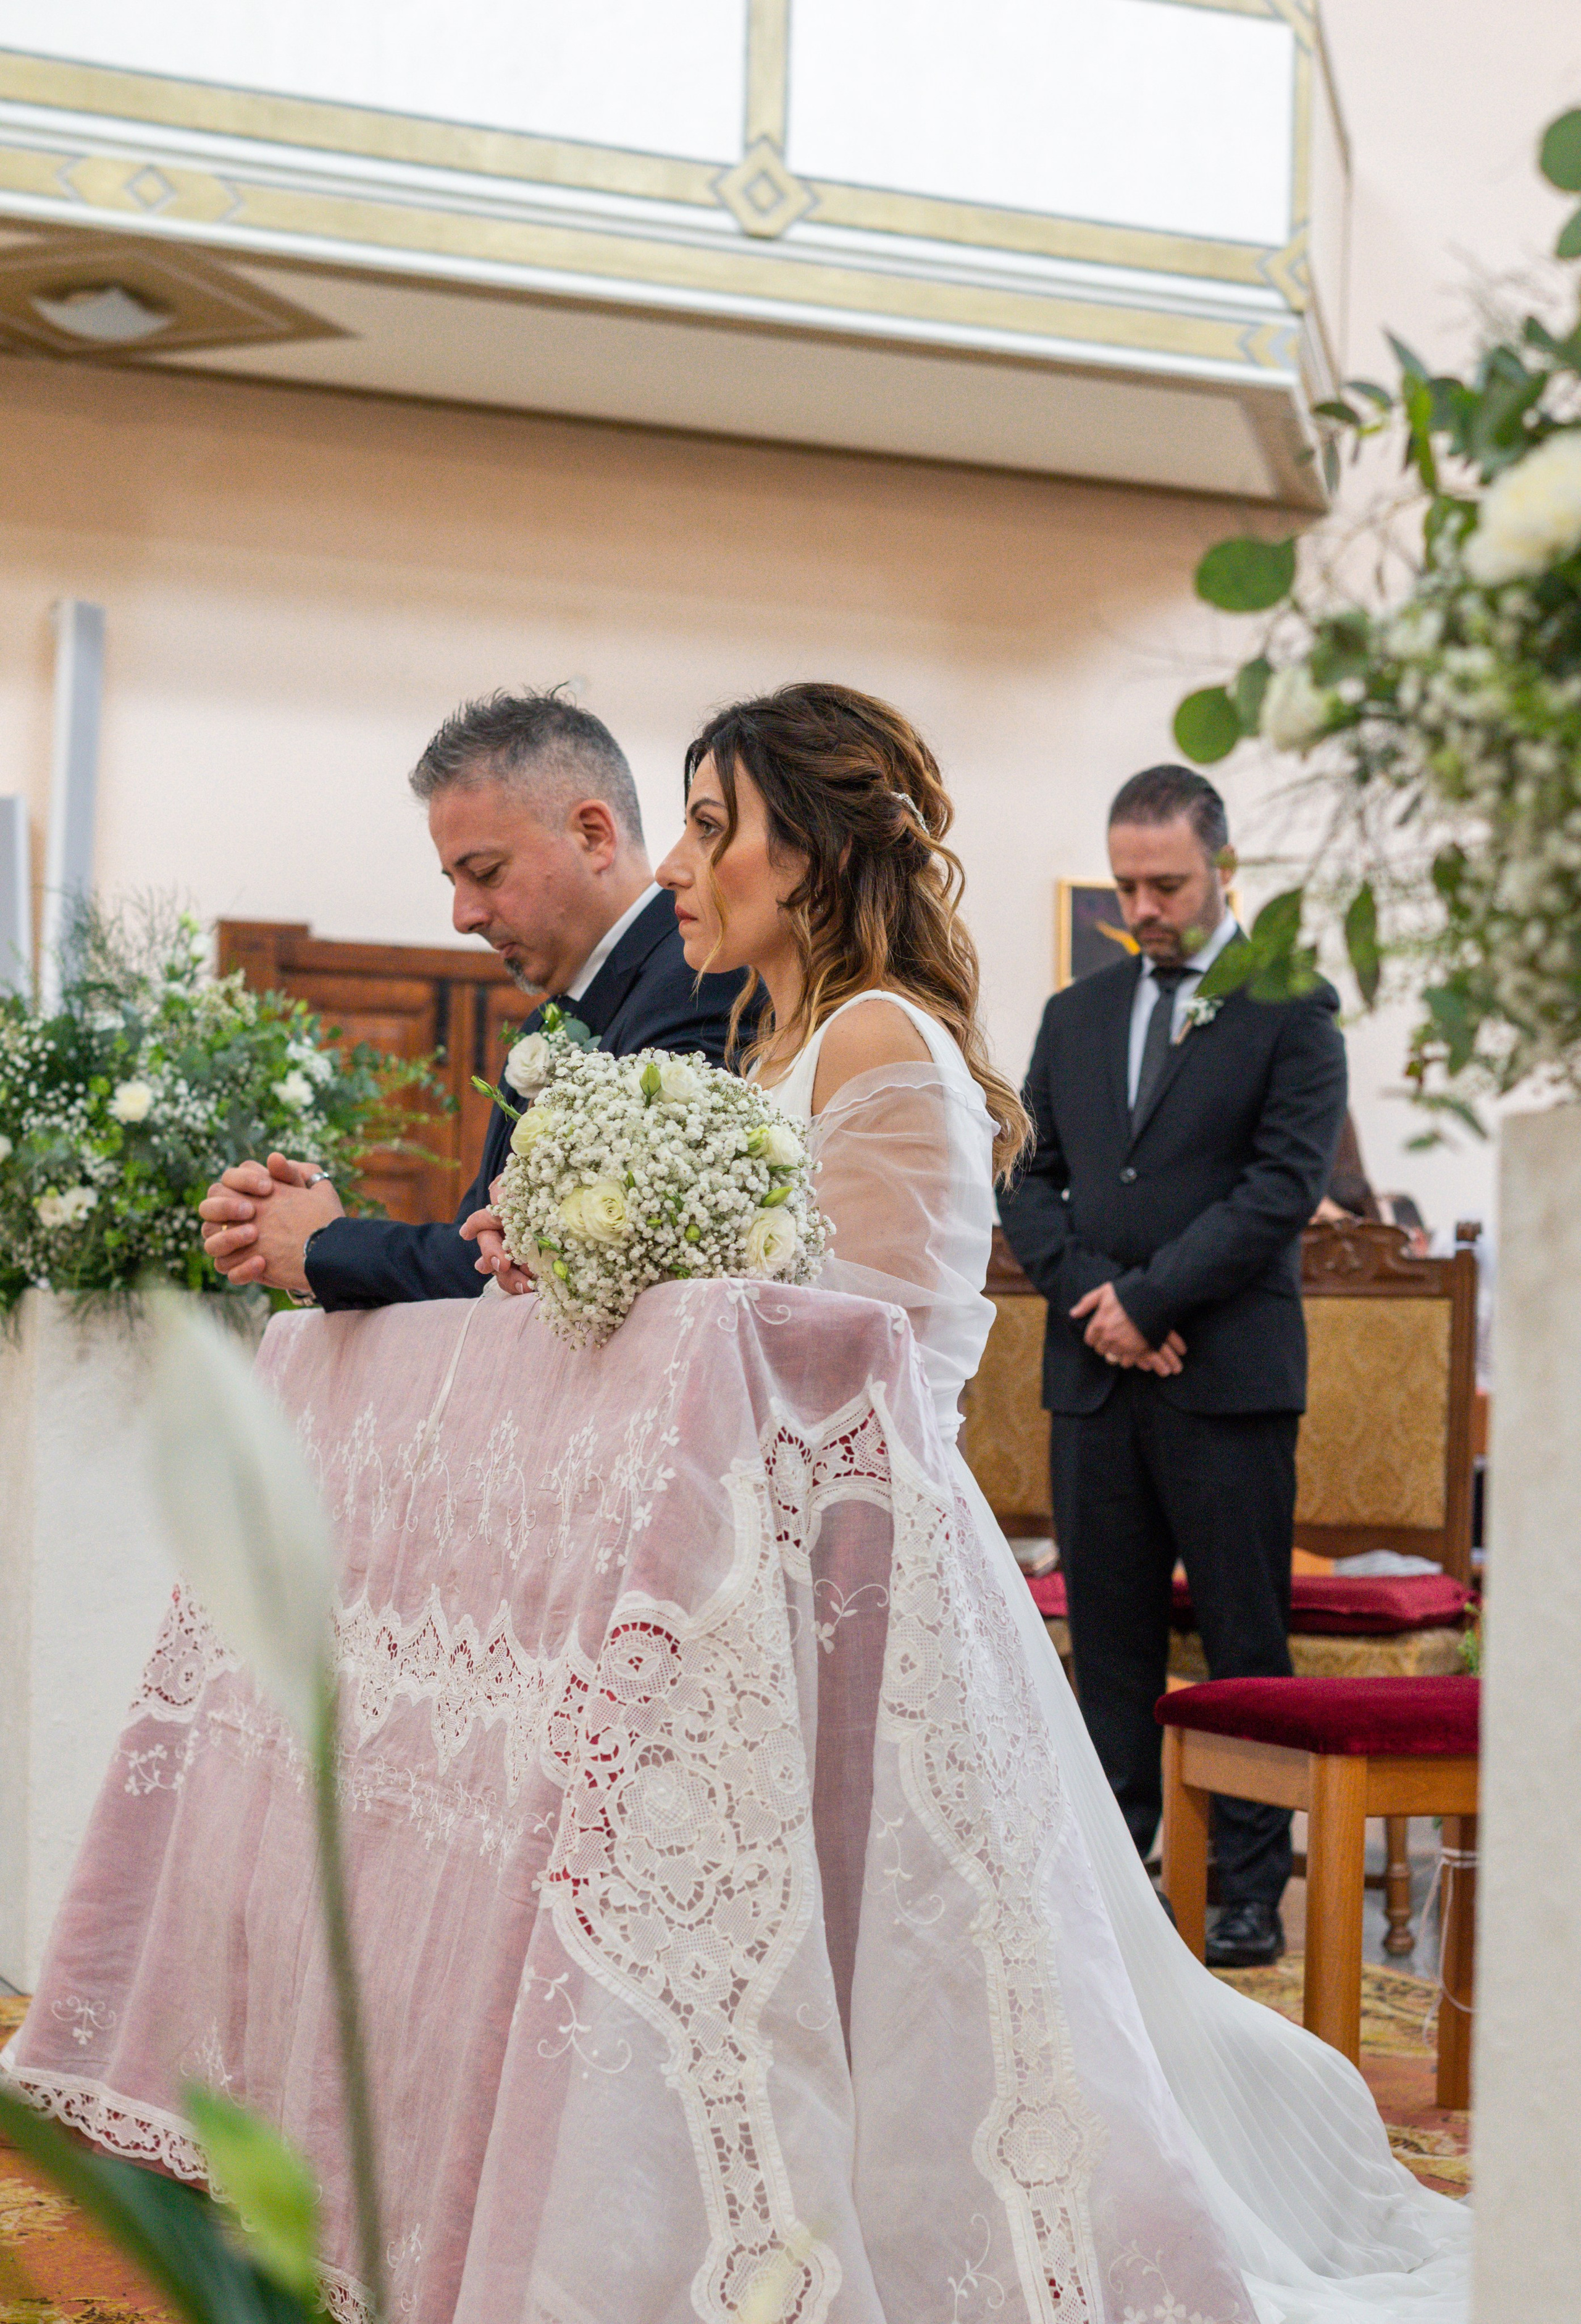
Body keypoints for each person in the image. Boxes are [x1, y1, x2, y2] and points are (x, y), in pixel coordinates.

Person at [9, 690, 1466, 2324]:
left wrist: (611, 1264)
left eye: (712, 828)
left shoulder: (878, 1042)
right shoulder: (768, 1047)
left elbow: (847, 1351)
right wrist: (556, 1258)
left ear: (817, 852)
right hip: (756, 1580)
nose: (679, 863)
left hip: (862, 1588)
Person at [998, 764, 1348, 1969]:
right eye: (1126, 886)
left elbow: (1280, 1187)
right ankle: (1111, 1883)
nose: (1142, 908)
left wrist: (1148, 1301)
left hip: (1225, 1378)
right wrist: (1096, 1302)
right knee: (1109, 1645)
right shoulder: (1076, 1015)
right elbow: (1026, 1176)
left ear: (1224, 871)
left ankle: (1245, 1890)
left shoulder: (1292, 1006)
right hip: (1094, 1377)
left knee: (1244, 1642)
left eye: (1167, 885)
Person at [197, 690, 744, 1308]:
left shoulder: (701, 979)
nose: (463, 916)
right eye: (454, 881)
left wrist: (324, 1246)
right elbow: (482, 1248)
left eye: (485, 873)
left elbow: (565, 1260)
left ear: (593, 835)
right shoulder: (552, 1020)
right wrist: (312, 1249)